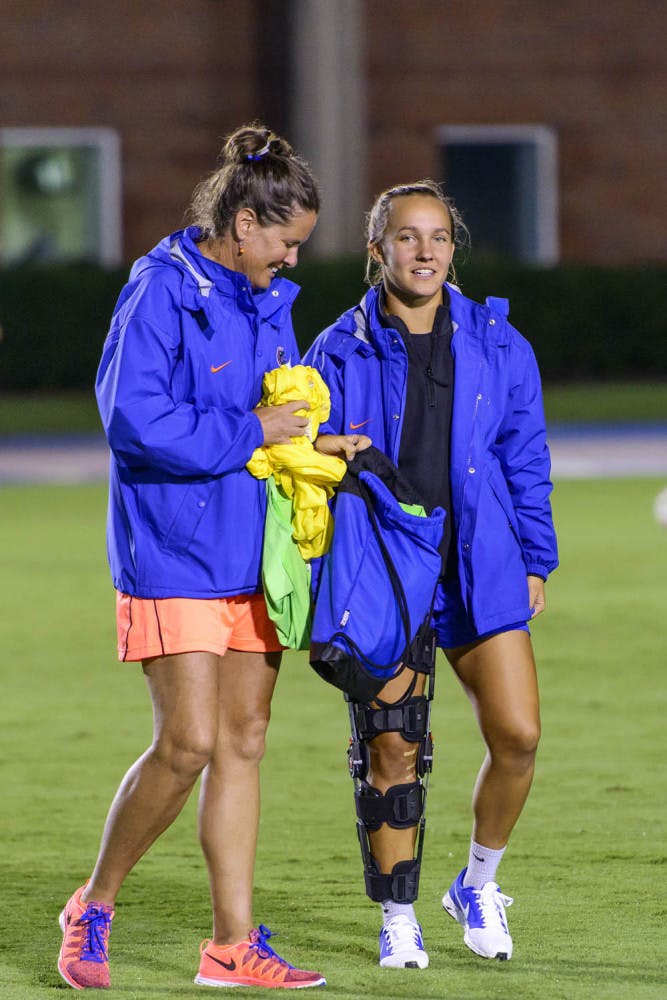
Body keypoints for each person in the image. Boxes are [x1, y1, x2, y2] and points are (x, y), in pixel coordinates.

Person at [57, 124, 329, 991]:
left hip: (254, 551)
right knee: (188, 743)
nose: (290, 260)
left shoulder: (267, 301)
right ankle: (93, 905)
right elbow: (132, 422)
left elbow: (272, 418)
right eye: (285, 242)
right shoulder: (158, 290)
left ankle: (230, 946)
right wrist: (252, 431)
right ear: (245, 221)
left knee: (243, 741)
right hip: (173, 548)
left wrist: (315, 446)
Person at [305, 180, 558, 970]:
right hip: (383, 562)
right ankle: (399, 915)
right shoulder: (335, 346)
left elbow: (524, 456)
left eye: (439, 237)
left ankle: (476, 882)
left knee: (517, 734)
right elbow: (300, 461)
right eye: (407, 238)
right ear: (376, 250)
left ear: (454, 248)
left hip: (476, 557)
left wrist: (537, 559)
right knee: (392, 750)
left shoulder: (496, 340)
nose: (425, 251)